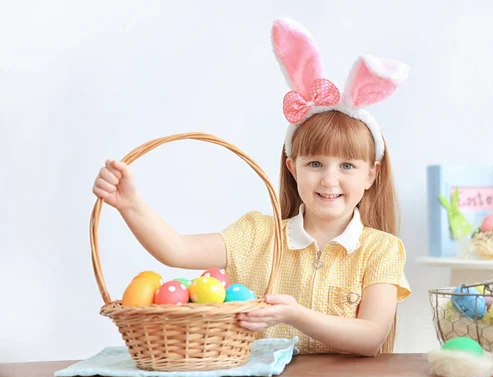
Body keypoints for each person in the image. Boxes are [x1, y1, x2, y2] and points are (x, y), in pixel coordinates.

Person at [92, 18, 411, 356]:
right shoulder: (259, 235)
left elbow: (371, 336)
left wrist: (297, 315)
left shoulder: (381, 249)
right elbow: (177, 250)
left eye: (347, 166)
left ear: (371, 176)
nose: (329, 180)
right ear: (292, 168)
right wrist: (130, 204)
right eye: (314, 164)